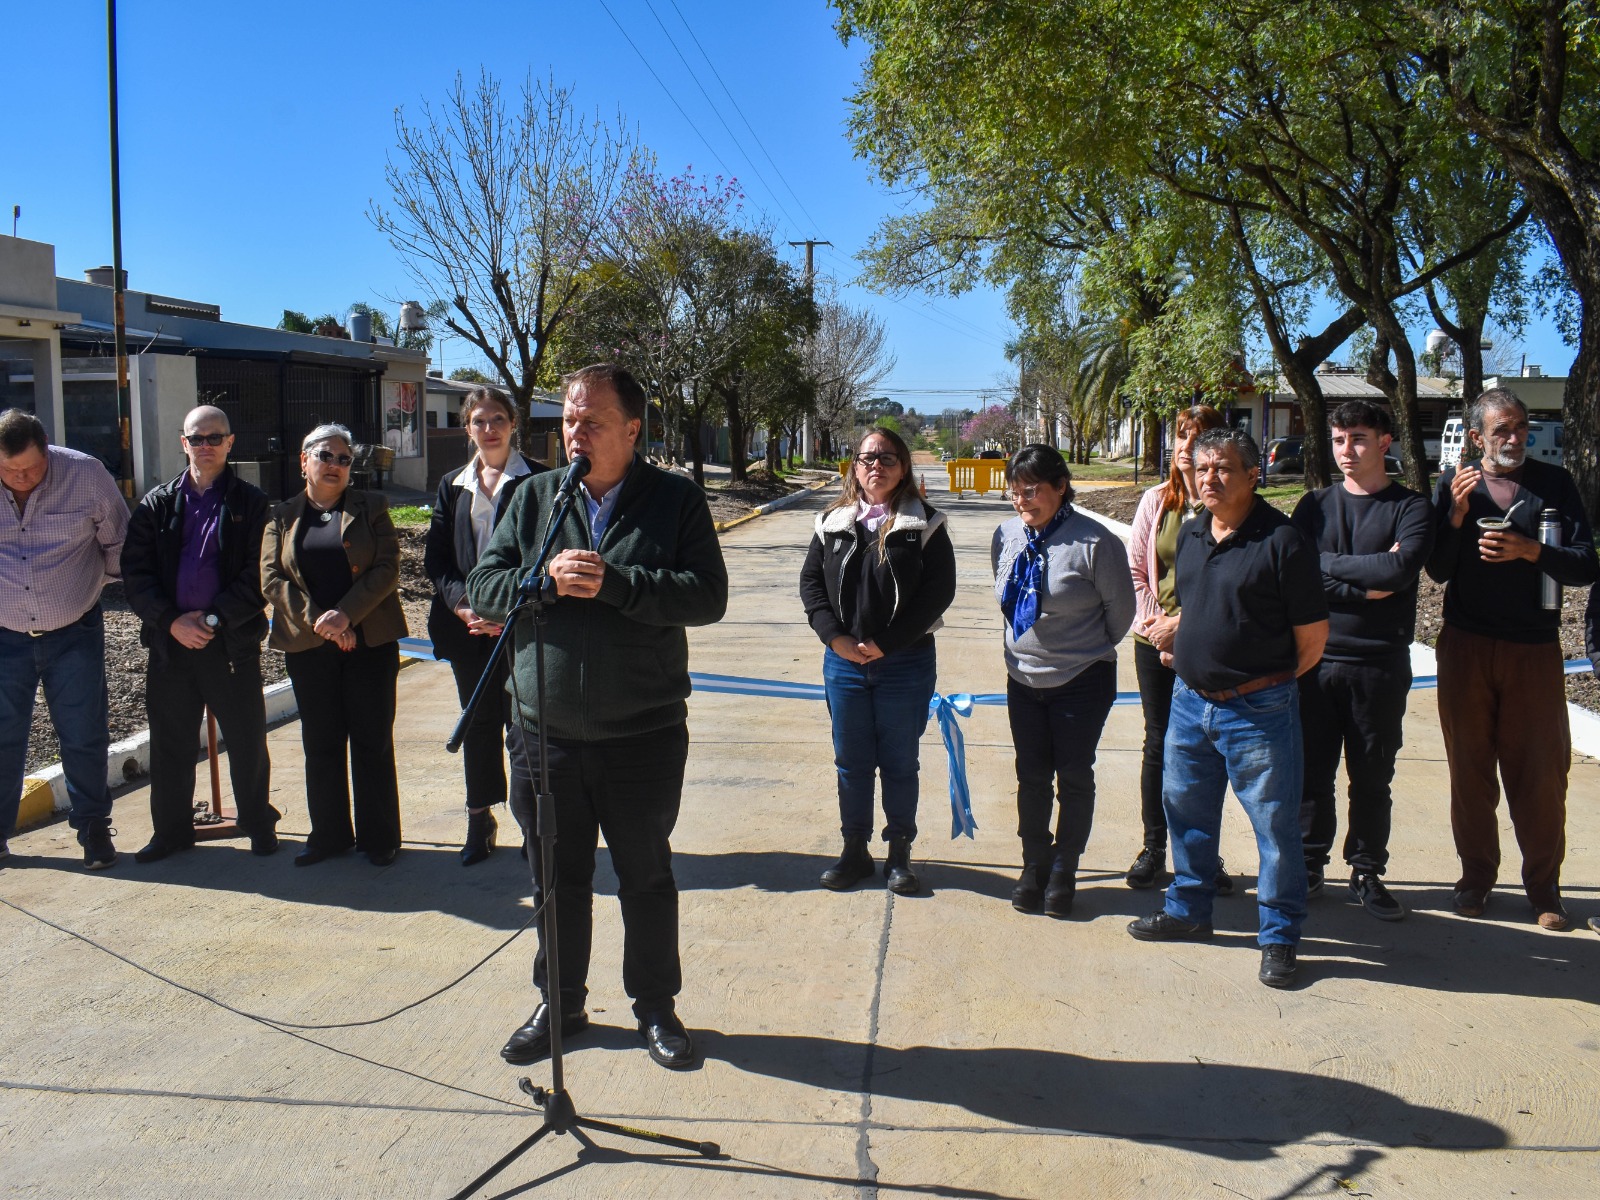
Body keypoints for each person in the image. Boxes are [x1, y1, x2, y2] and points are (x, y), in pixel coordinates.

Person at [467, 364, 728, 1071]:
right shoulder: (535, 498)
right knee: (555, 880)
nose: (574, 434)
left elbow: (706, 596)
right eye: (568, 421)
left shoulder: (675, 500)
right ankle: (561, 1002)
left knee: (645, 877)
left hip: (642, 734)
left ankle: (655, 1007)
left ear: (632, 429)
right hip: (543, 733)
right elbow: (485, 587)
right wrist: (543, 582)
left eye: (592, 422)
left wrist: (619, 585)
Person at [1126, 427, 1328, 989]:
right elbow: (1199, 608)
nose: (1209, 478)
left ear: (1252, 475)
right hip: (1190, 704)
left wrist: (1261, 682)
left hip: (1258, 711)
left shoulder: (1283, 541)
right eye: (1202, 468)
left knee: (1275, 828)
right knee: (1186, 815)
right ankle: (1189, 909)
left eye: (1223, 468)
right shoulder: (1193, 533)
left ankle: (1279, 936)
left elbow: (1311, 639)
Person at [1426, 387, 1597, 931]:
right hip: (1467, 646)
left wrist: (1532, 550)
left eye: (1521, 427)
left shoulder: (1554, 484)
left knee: (1541, 773)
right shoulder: (1456, 486)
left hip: (1533, 648)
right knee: (1470, 769)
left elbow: (1585, 565)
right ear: (1477, 437)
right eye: (1502, 429)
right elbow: (1437, 570)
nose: (1516, 437)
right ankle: (1475, 878)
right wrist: (1455, 516)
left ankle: (1544, 887)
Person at [1289, 401, 1433, 920]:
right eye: (1338, 440)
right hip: (1315, 661)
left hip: (1379, 665)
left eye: (1358, 439)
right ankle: (1308, 865)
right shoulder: (1314, 506)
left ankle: (1367, 871)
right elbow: (1296, 576)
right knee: (1311, 775)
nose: (1346, 450)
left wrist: (1328, 567)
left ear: (1384, 442)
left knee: (1372, 777)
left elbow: (1399, 572)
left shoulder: (1411, 507)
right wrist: (1364, 581)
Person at [799, 426, 956, 895]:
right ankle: (855, 850)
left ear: (903, 468)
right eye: (868, 458)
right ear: (855, 467)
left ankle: (899, 853)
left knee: (900, 762)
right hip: (845, 664)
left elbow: (938, 593)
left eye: (888, 458)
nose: (876, 466)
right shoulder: (831, 522)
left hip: (905, 664)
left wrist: (888, 643)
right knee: (851, 762)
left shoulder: (925, 524)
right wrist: (834, 638)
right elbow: (811, 585)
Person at [123, 405, 278, 862]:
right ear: (183, 442)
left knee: (246, 740)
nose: (205, 446)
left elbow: (260, 574)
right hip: (171, 645)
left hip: (229, 643)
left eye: (214, 437)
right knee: (170, 743)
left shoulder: (252, 504)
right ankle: (171, 832)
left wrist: (211, 620)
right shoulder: (156, 504)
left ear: (230, 442)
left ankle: (257, 823)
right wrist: (171, 621)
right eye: (197, 438)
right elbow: (136, 573)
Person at [992, 444, 1133, 916]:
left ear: (1060, 486)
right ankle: (1034, 865)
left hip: (1082, 679)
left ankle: (1064, 869)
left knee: (1073, 775)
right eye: (1014, 492)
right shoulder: (1006, 535)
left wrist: (1079, 651)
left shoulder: (1095, 543)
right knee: (1031, 776)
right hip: (1022, 678)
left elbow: (1120, 614)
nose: (1021, 501)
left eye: (1031, 490)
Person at [260, 424, 408, 868]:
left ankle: (379, 838)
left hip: (369, 643)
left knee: (372, 741)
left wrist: (346, 614)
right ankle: (328, 835)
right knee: (321, 743)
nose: (335, 466)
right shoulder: (281, 515)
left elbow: (387, 568)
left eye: (344, 459)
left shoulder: (373, 507)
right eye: (325, 456)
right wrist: (322, 622)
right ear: (303, 461)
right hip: (309, 646)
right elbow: (271, 578)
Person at [0, 409, 129, 869]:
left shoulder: (85, 474)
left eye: (31, 468)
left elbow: (120, 543)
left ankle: (93, 828)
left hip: (75, 631)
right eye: (10, 470)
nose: (22, 477)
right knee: (3, 735)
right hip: (4, 634)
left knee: (83, 734)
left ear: (47, 450)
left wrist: (94, 587)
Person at [425, 387, 545, 865]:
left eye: (498, 419)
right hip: (468, 629)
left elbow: (546, 553)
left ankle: (532, 825)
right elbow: (438, 559)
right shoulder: (451, 484)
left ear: (513, 424)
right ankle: (479, 819)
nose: (489, 428)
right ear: (467, 427)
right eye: (479, 420)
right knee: (477, 724)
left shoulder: (540, 479)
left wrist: (507, 610)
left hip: (523, 628)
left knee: (524, 729)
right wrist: (464, 607)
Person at [1126, 404, 1236, 896]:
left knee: (1205, 750)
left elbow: (1230, 581)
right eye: (1181, 436)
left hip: (1207, 644)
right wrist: (1159, 628)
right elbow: (1136, 571)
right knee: (1158, 743)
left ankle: (1203, 854)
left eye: (1198, 436)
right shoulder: (1156, 501)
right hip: (1153, 641)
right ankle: (1153, 847)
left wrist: (1185, 629)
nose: (1187, 446)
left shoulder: (1227, 505)